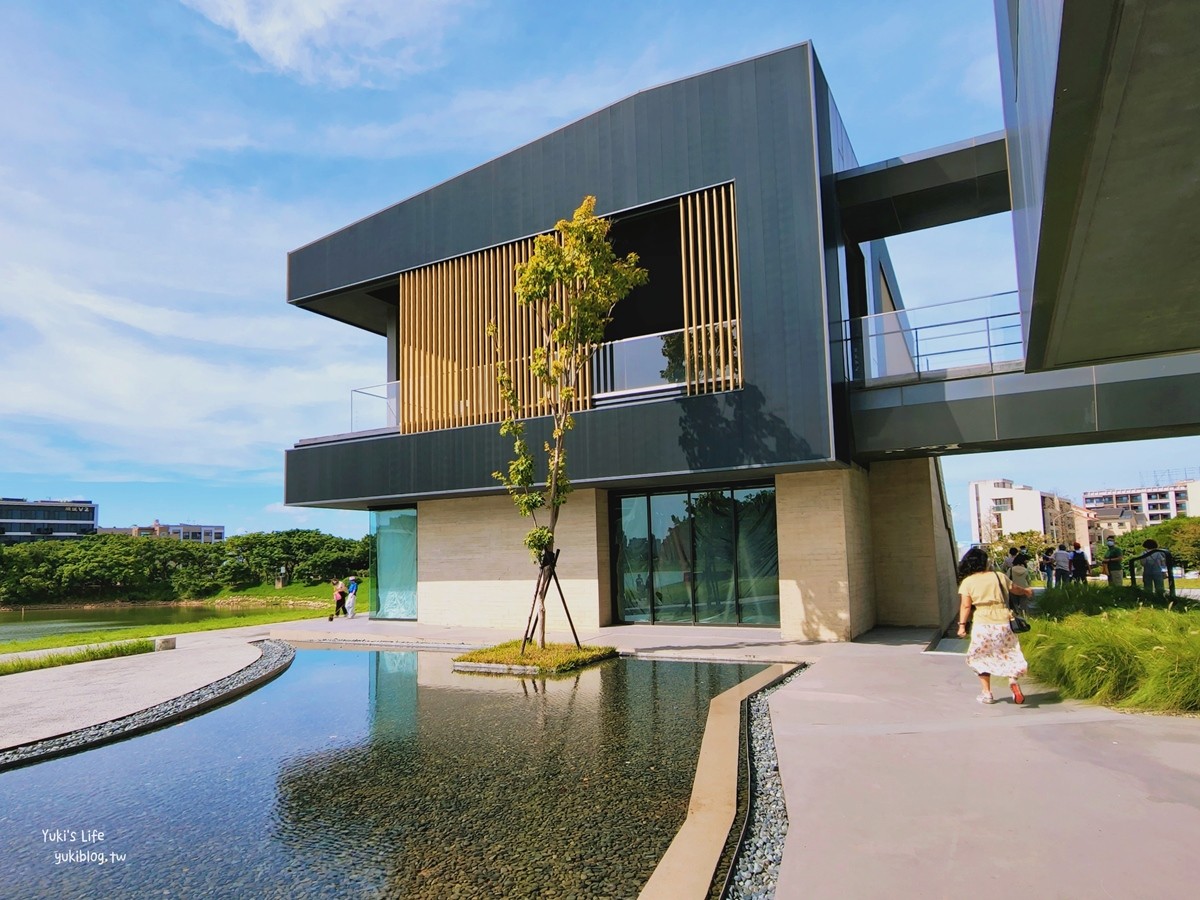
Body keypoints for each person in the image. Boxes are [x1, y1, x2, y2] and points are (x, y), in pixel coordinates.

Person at [956, 546, 1033, 705]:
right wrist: (1026, 591)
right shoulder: (999, 576)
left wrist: (962, 626)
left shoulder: (967, 582)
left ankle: (987, 693)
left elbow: (965, 606)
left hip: (983, 623)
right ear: (985, 562)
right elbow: (1015, 589)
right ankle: (1012, 679)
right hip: (1003, 620)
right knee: (1009, 652)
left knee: (980, 656)